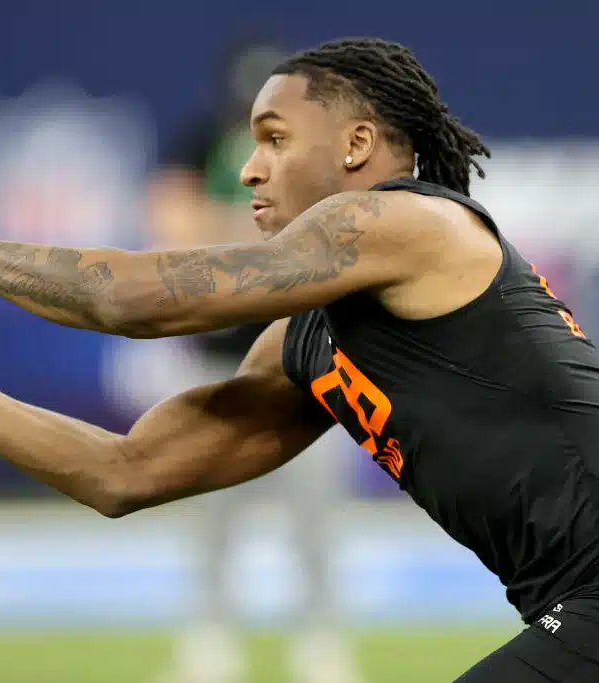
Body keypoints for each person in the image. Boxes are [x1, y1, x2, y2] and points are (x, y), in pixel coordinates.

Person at [0, 37, 599, 682]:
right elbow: (126, 472)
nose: (248, 168)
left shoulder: (406, 221)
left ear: (361, 146)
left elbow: (131, 298)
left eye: (276, 138)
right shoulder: (305, 339)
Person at [103, 37, 363, 683]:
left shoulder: (315, 150)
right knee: (212, 514)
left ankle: (320, 641)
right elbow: (174, 230)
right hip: (216, 356)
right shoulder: (200, 141)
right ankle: (211, 639)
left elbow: (330, 236)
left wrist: (231, 234)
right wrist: (264, 235)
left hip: (306, 357)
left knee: (316, 519)